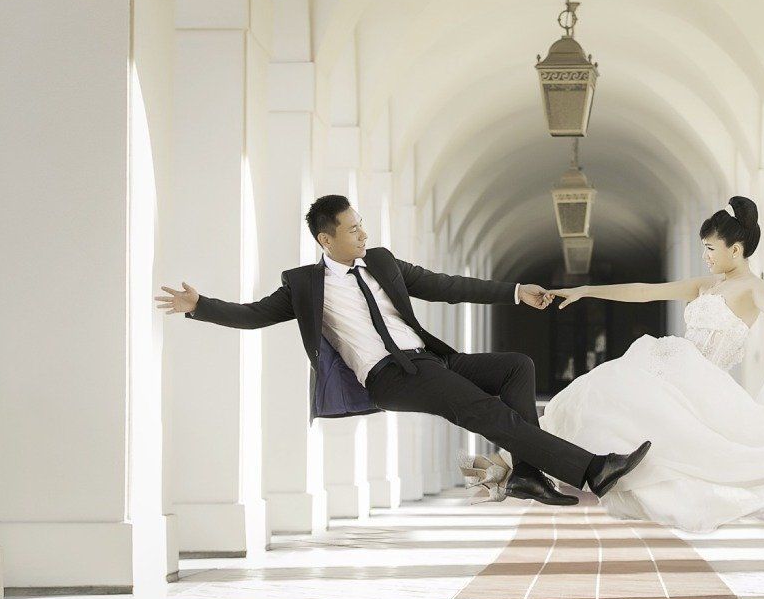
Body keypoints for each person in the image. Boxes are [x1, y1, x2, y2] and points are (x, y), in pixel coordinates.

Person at [154, 194, 650, 507]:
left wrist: (516, 291)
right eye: (352, 229)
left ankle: (524, 473)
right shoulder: (304, 285)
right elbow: (254, 315)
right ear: (326, 239)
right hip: (391, 375)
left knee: (516, 368)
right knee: (485, 411)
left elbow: (446, 284)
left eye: (361, 225)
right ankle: (592, 469)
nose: (363, 234)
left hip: (429, 360)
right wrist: (200, 306)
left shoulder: (382, 262)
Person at [539, 195, 764, 533]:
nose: (706, 257)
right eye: (704, 248)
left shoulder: (751, 287)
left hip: (703, 384)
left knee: (699, 455)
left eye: (711, 249)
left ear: (736, 250)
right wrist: (586, 291)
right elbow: (646, 290)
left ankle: (575, 464)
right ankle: (557, 457)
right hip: (674, 367)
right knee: (605, 391)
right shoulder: (706, 285)